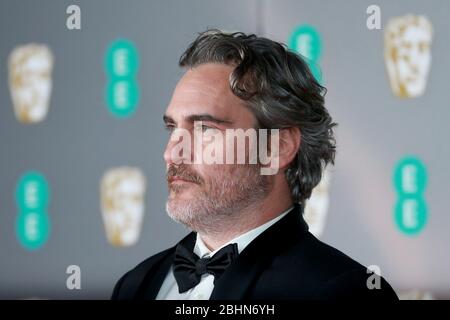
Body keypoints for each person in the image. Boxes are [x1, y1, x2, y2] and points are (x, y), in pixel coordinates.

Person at [111, 29, 398, 300]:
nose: (172, 153)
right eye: (172, 128)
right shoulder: (137, 284)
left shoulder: (344, 292)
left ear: (277, 147)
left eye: (205, 129)